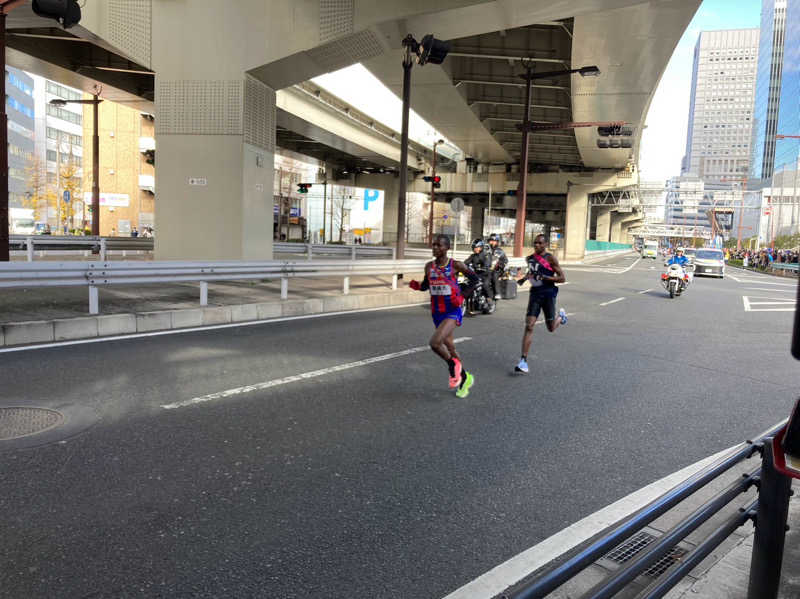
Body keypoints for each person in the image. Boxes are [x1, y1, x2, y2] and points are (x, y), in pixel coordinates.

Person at [409, 234, 481, 398]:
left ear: (447, 248)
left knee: (435, 343)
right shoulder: (429, 266)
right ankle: (465, 378)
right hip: (437, 312)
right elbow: (426, 285)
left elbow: (475, 279)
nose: (434, 248)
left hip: (452, 310)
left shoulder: (456, 265)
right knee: (450, 347)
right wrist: (417, 286)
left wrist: (462, 296)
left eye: (438, 245)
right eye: (433, 245)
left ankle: (452, 368)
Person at [515, 234, 567, 374]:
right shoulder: (529, 259)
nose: (537, 245)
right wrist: (524, 279)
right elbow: (532, 272)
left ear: (545, 244)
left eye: (540, 243)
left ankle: (561, 317)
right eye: (535, 243)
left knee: (550, 328)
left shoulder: (550, 258)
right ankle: (523, 360)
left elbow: (562, 278)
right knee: (529, 325)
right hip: (535, 294)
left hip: (548, 294)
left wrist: (545, 277)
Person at [486, 233, 508, 299]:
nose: (492, 242)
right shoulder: (485, 250)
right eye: (491, 240)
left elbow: (505, 261)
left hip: (498, 270)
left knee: (495, 274)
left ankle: (497, 293)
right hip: (487, 269)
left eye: (494, 241)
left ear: (497, 242)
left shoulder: (500, 251)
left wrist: (499, 265)